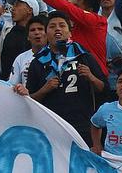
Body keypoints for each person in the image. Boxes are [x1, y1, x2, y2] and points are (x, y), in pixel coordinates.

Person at [26, 11, 107, 145]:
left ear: (70, 32)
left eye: (62, 25)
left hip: (83, 126)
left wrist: (91, 77)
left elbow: (104, 89)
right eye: (52, 26)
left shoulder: (84, 56)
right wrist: (44, 90)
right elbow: (29, 100)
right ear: (46, 33)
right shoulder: (38, 62)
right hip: (51, 127)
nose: (57, 29)